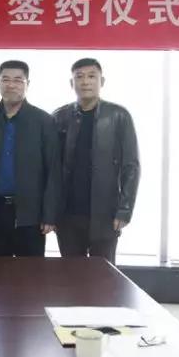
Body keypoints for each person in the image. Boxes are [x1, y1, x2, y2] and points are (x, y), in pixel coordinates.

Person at [53, 58, 140, 263]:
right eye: (79, 77)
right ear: (72, 83)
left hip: (105, 213)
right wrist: (50, 212)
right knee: (71, 273)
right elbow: (50, 168)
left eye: (92, 76)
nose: (85, 82)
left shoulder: (119, 116)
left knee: (103, 273)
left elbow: (131, 166)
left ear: (102, 81)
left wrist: (124, 210)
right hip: (68, 214)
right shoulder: (59, 117)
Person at [0, 60, 61, 256]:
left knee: (30, 272)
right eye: (5, 79)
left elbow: (53, 170)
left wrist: (49, 215)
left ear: (27, 84)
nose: (11, 85)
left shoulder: (44, 121)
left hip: (30, 213)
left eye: (17, 80)